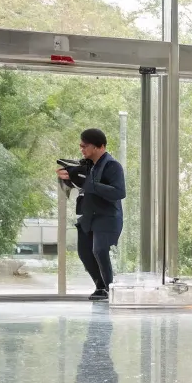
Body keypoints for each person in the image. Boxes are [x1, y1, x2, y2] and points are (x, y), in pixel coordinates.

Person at [58, 128, 126, 300]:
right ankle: (101, 286)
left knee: (100, 250)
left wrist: (89, 183)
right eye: (81, 146)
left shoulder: (112, 165)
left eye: (85, 146)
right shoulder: (89, 166)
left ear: (99, 146)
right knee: (84, 253)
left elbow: (119, 192)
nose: (82, 149)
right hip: (88, 216)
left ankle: (109, 289)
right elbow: (81, 185)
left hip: (106, 216)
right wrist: (68, 177)